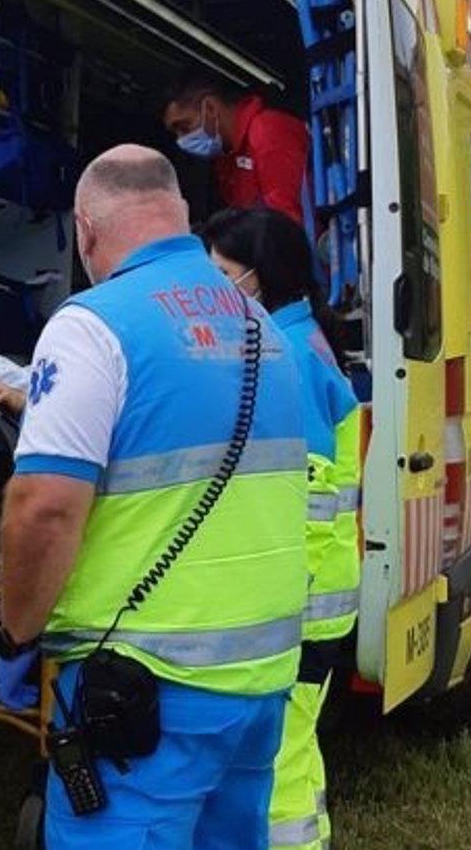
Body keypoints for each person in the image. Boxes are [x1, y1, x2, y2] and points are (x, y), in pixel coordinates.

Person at [0, 145, 310, 849]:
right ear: (184, 219)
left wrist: (15, 637)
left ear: (85, 227)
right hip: (257, 680)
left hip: (143, 689)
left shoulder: (92, 327)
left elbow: (44, 504)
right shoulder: (265, 331)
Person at [201, 206, 361, 850]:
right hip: (318, 599)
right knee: (297, 751)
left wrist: (278, 604)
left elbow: (312, 501)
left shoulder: (287, 358)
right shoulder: (301, 340)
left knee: (280, 764)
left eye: (221, 274)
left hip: (301, 607)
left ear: (258, 279)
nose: (211, 289)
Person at [162, 74, 308, 223]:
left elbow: (287, 220)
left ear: (210, 108)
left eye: (185, 127)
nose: (181, 140)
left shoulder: (267, 132)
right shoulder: (227, 155)